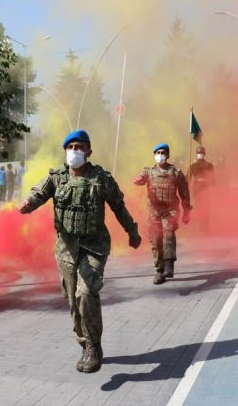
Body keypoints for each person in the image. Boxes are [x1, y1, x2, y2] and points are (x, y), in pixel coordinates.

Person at [19, 129, 142, 373]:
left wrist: (132, 231)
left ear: (88, 151)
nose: (74, 151)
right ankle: (84, 343)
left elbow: (119, 207)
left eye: (79, 147)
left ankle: (93, 346)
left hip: (94, 247)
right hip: (66, 249)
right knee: (72, 299)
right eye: (71, 147)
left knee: (85, 293)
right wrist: (28, 203)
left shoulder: (101, 179)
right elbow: (38, 193)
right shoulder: (57, 178)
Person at [134, 143, 191, 284]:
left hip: (170, 210)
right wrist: (138, 180)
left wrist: (186, 211)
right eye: (158, 152)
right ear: (154, 155)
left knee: (168, 232)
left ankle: (169, 263)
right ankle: (159, 271)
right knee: (155, 240)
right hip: (154, 211)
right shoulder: (148, 172)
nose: (160, 155)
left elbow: (184, 192)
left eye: (163, 153)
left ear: (168, 155)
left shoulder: (176, 173)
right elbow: (140, 179)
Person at [188, 145, 215, 229]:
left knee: (205, 206)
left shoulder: (208, 165)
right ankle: (202, 223)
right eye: (199, 153)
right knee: (200, 206)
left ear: (203, 154)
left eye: (201, 153)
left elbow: (212, 178)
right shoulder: (193, 166)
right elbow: (188, 179)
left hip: (204, 188)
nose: (200, 154)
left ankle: (204, 224)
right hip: (198, 189)